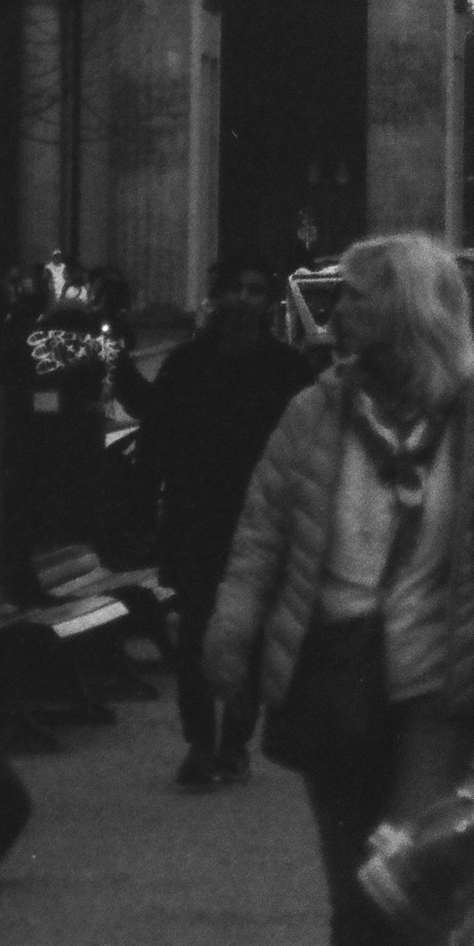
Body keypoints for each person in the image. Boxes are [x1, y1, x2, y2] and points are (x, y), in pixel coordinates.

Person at [205, 233, 474, 946]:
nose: (338, 308)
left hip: (437, 685)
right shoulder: (309, 418)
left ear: (401, 308)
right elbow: (261, 537)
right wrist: (232, 639)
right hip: (332, 676)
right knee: (357, 891)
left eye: (355, 295)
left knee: (403, 867)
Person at [136, 275, 312, 789]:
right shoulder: (185, 365)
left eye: (254, 289)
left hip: (264, 519)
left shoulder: (287, 368)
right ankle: (199, 741)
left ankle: (234, 739)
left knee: (251, 633)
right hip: (197, 516)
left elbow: (309, 448)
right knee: (195, 631)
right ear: (216, 299)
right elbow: (156, 440)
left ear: (267, 302)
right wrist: (148, 507)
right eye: (234, 288)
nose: (242, 298)